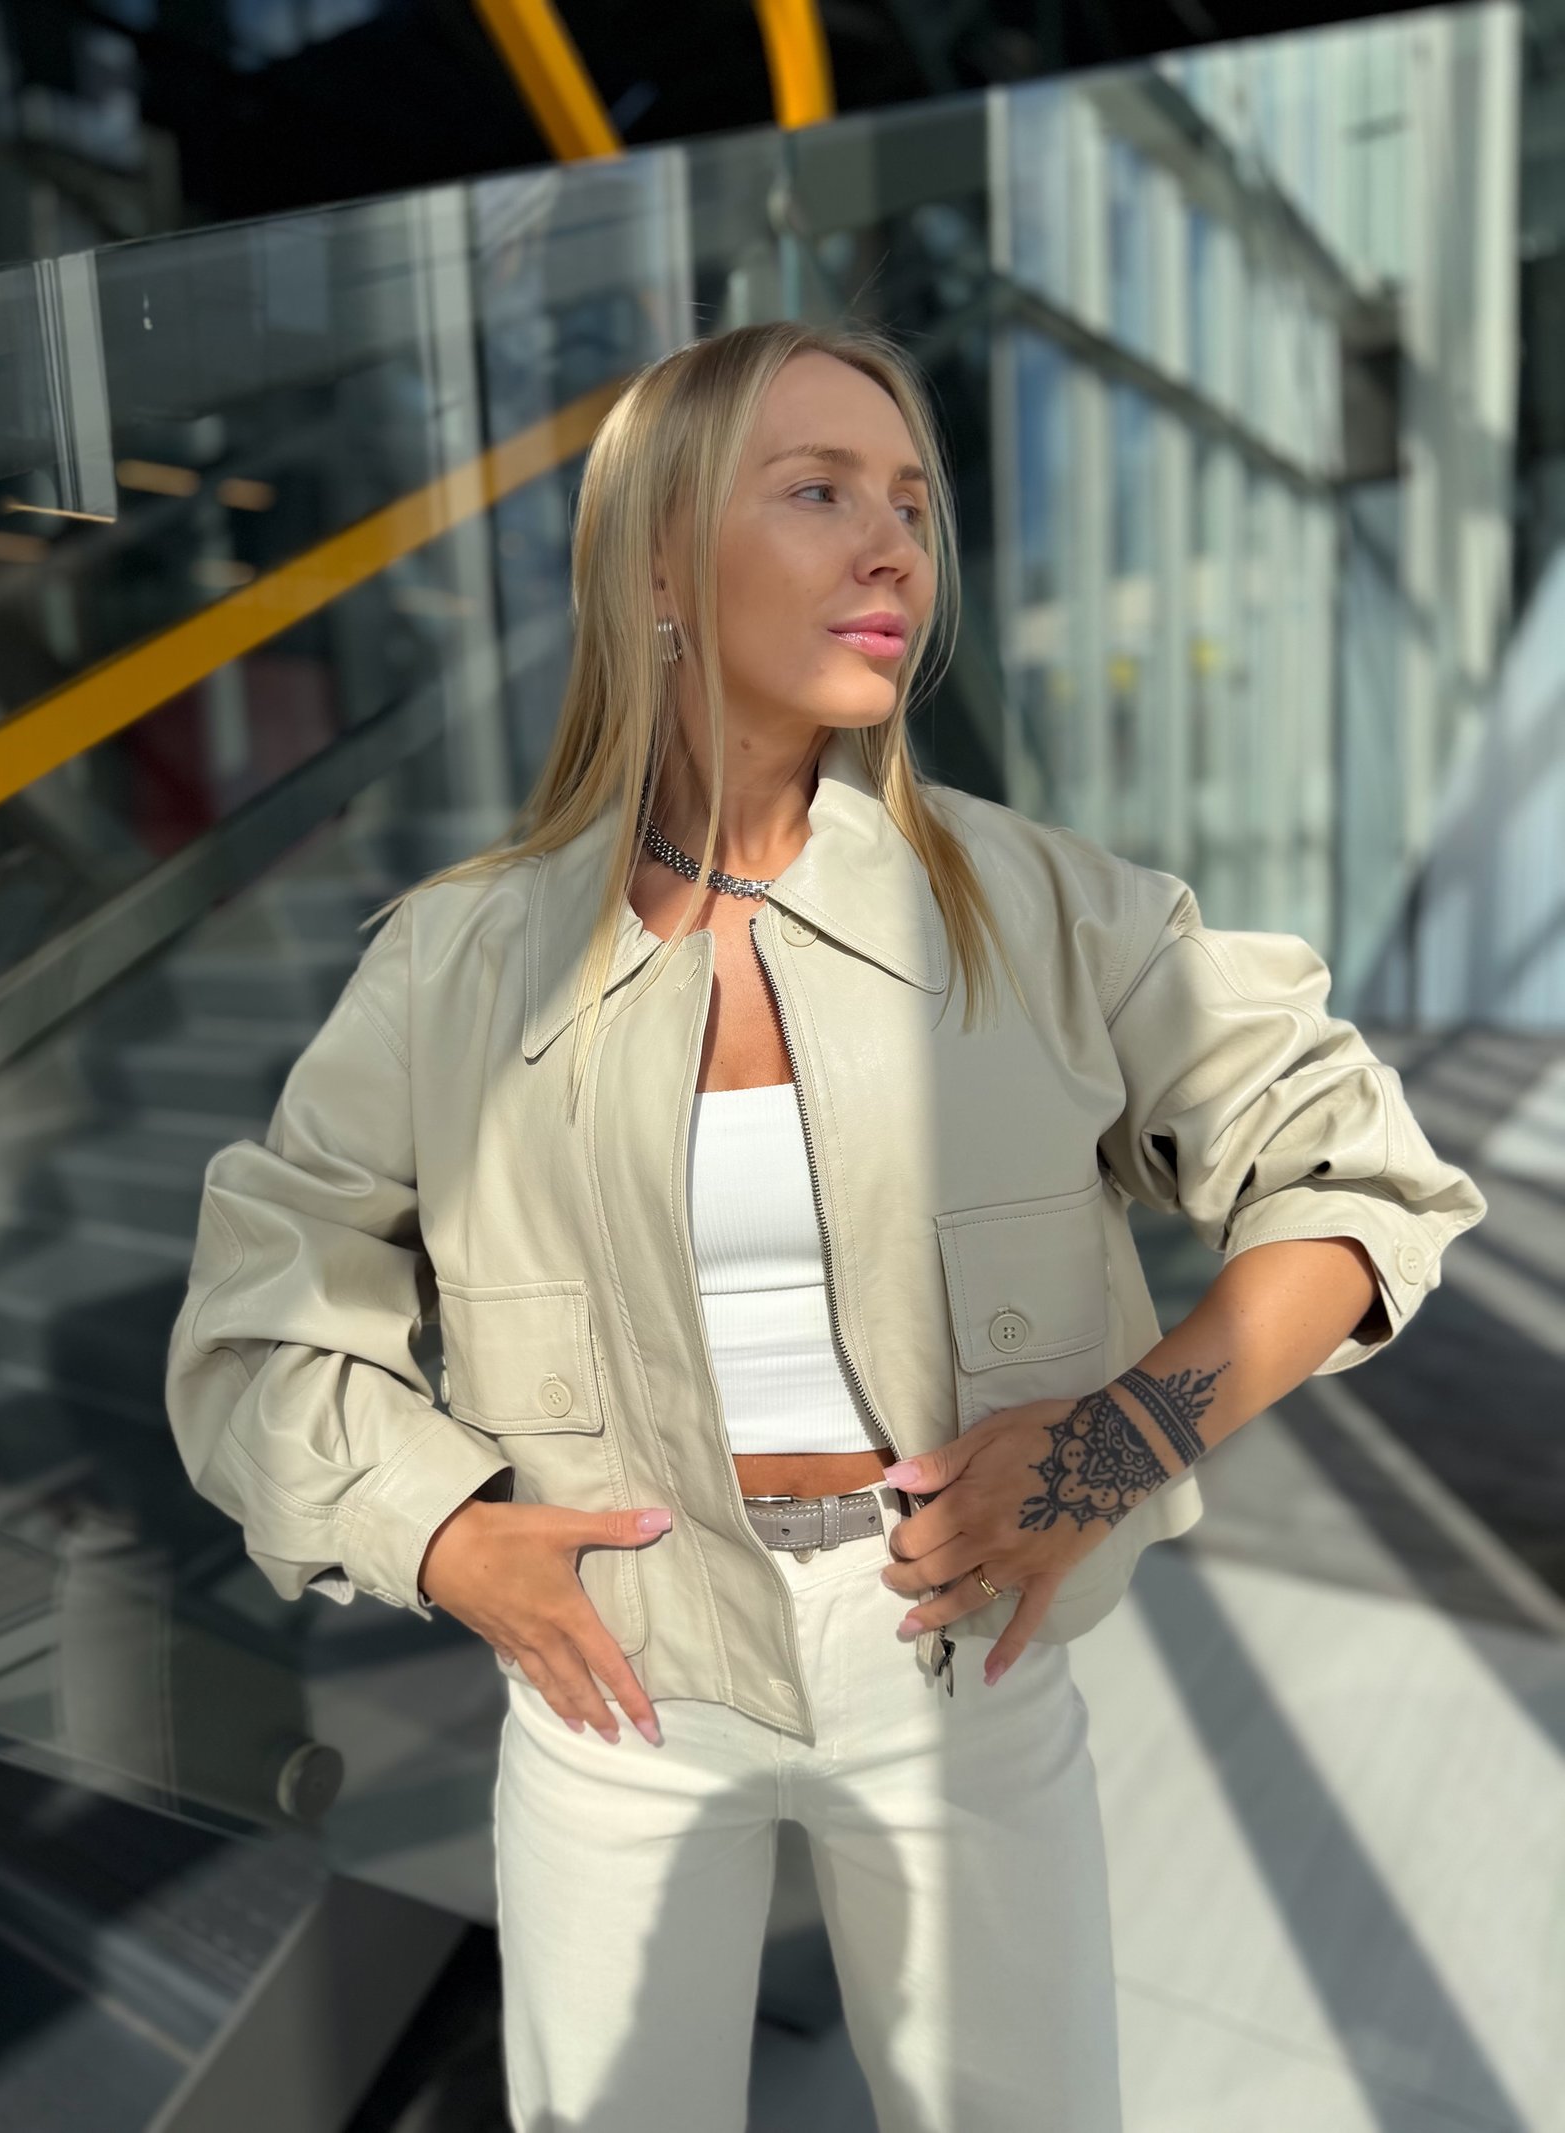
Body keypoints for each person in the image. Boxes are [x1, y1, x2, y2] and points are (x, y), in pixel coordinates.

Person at [164, 320, 1488, 2132]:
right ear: (658, 561)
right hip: (618, 1681)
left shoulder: (1044, 910)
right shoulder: (453, 965)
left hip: (957, 1655)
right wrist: (445, 1535)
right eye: (818, 492)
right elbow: (255, 1323)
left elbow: (1357, 1173)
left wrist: (1118, 1440)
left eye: (913, 506)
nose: (892, 548)